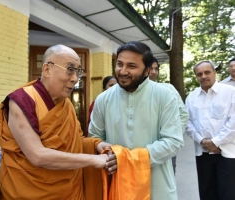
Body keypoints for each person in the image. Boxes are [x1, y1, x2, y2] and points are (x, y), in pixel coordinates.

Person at [0, 44, 117, 199]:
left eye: (78, 71)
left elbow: (76, 141)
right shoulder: (21, 101)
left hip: (66, 190)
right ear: (47, 70)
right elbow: (37, 155)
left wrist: (97, 145)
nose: (75, 78)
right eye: (70, 69)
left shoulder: (66, 104)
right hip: (25, 190)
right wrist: (93, 159)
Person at [89, 41, 184, 200]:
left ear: (147, 70)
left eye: (131, 66)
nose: (123, 71)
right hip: (118, 187)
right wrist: (104, 149)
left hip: (157, 188)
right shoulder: (103, 99)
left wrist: (126, 159)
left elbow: (173, 141)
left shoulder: (165, 95)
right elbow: (94, 137)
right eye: (120, 64)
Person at [185, 60, 235, 200]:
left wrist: (216, 142)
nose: (203, 76)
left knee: (229, 193)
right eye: (199, 74)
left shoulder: (230, 92)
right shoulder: (191, 97)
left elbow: (233, 121)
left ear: (215, 72)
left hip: (227, 152)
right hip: (203, 153)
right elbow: (187, 122)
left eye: (207, 72)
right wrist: (202, 141)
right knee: (207, 193)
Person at [148, 57, 189, 174]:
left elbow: (183, 115)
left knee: (167, 179)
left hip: (166, 146)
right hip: (142, 148)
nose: (153, 72)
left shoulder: (168, 89)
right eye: (150, 68)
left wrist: (172, 136)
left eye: (156, 69)